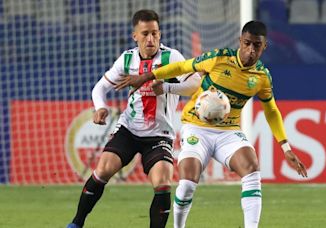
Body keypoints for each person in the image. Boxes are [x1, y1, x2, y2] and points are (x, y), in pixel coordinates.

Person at [115, 20, 308, 228]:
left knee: (252, 168)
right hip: (196, 127)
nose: (251, 50)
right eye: (247, 43)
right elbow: (182, 66)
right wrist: (147, 76)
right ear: (240, 41)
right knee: (188, 180)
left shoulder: (262, 77)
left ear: (264, 46)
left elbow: (271, 110)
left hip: (228, 131)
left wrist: (285, 147)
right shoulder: (218, 58)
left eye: (257, 46)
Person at [67, 9, 201, 228]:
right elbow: (100, 88)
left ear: (160, 34)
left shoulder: (171, 57)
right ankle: (76, 223)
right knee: (102, 170)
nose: (151, 39)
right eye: (145, 33)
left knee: (163, 182)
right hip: (128, 129)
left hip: (160, 133)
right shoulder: (127, 58)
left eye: (155, 33)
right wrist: (100, 107)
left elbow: (195, 84)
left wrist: (167, 86)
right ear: (135, 36)